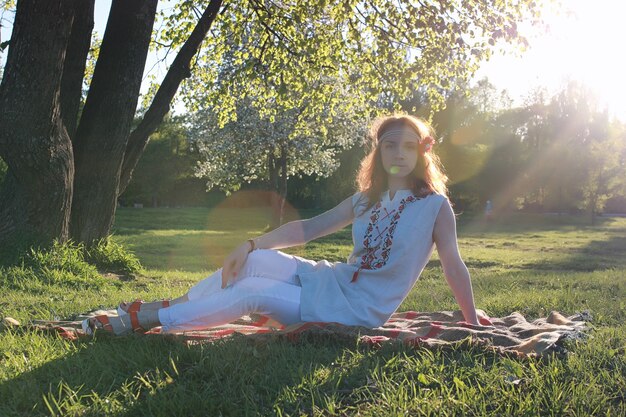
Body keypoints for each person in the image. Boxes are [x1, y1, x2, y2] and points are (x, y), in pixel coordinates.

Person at [83, 114, 481, 335]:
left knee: (253, 290)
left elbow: (453, 265)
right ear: (378, 152)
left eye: (409, 145)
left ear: (421, 153)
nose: (399, 153)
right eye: (390, 144)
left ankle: (144, 321)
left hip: (359, 309)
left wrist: (471, 319)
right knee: (252, 265)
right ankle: (171, 307)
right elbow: (307, 229)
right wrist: (251, 244)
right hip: (332, 280)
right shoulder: (365, 199)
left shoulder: (435, 207)